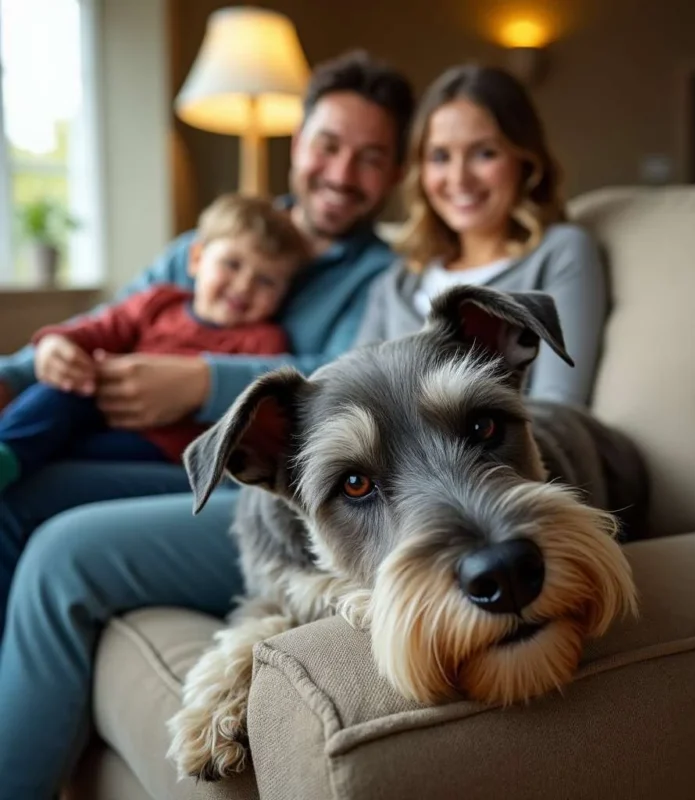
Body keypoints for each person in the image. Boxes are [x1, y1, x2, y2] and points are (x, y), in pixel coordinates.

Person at [0, 50, 414, 800]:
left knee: (45, 528)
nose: (342, 172)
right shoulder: (216, 236)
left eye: (371, 157)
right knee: (18, 488)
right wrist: (31, 362)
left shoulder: (381, 278)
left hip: (264, 491)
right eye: (328, 145)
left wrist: (198, 382)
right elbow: (110, 323)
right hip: (120, 440)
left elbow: (348, 376)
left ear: (392, 173)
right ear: (298, 143)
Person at [0, 193, 306, 496]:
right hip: (92, 404)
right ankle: (7, 452)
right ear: (197, 259)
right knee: (53, 394)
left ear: (283, 294)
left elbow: (258, 410)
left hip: (161, 446)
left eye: (266, 281)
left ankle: (22, 460)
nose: (243, 286)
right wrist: (57, 343)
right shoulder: (158, 302)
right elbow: (101, 327)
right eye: (232, 264)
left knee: (63, 455)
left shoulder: (265, 340)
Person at [357, 64, 606, 406]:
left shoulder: (560, 252)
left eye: (484, 153)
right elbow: (347, 400)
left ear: (526, 161)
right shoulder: (396, 283)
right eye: (440, 156)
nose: (459, 179)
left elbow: (559, 407)